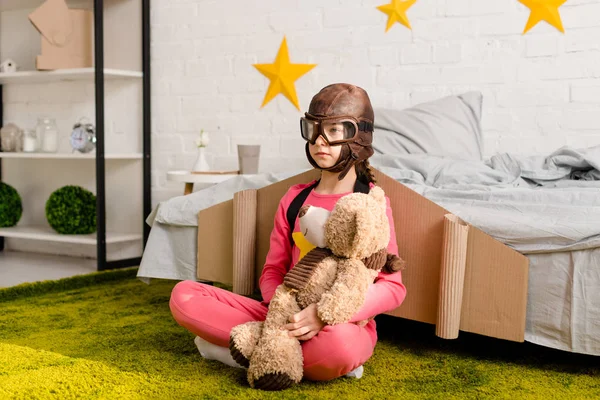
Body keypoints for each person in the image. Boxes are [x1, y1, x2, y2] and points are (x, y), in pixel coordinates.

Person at [169, 83, 407, 382]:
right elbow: (272, 270)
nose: (320, 141)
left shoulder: (372, 205)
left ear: (358, 136)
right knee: (185, 296)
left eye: (334, 131)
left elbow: (393, 287)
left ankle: (243, 352)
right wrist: (284, 313)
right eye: (314, 129)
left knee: (340, 346)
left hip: (340, 324)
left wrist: (323, 314)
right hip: (282, 313)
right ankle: (287, 354)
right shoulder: (294, 198)